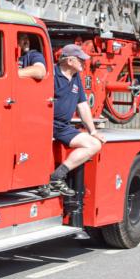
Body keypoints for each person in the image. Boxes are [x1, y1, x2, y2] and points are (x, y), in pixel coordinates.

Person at [48, 43, 106, 196]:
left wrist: (92, 131)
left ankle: (57, 176)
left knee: (94, 144)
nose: (84, 63)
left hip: (63, 126)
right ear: (69, 61)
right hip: (49, 124)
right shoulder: (51, 75)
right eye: (81, 60)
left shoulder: (75, 78)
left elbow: (83, 106)